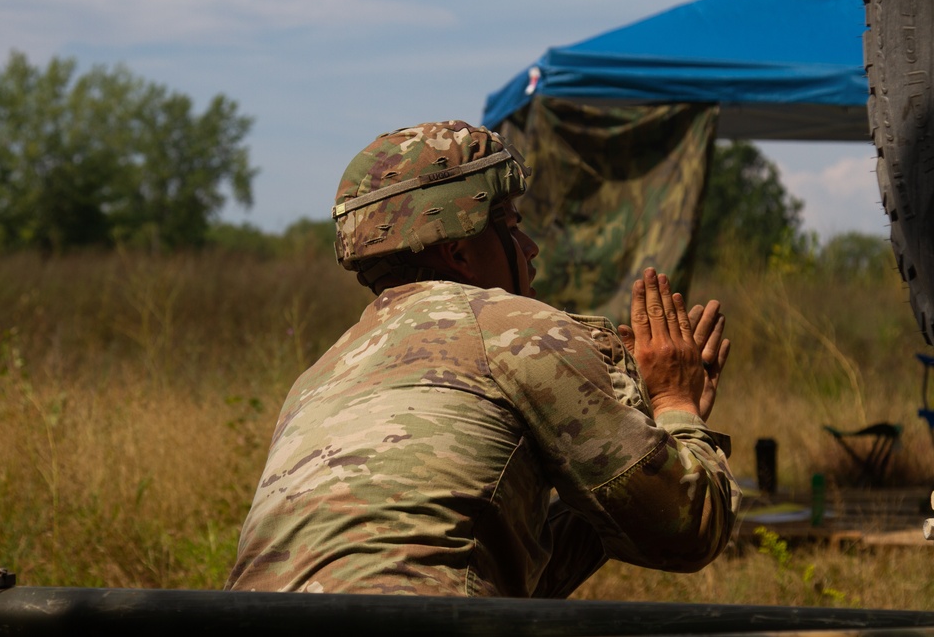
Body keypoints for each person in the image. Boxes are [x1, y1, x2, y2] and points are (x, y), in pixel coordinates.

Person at [226, 120, 739, 597]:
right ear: (460, 252)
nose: (530, 247)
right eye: (512, 225)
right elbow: (688, 532)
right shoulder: (520, 331)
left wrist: (628, 443)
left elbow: (499, 570)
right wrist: (676, 406)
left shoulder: (319, 376)